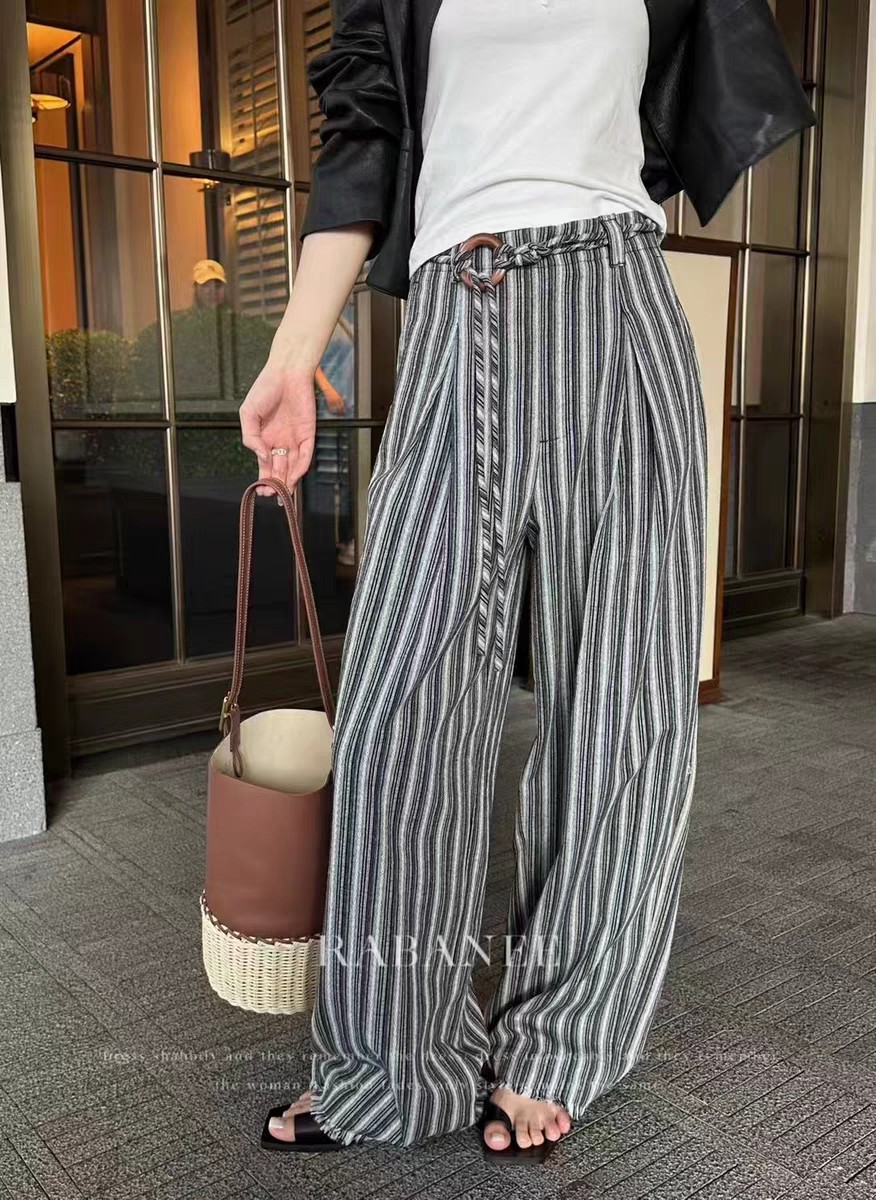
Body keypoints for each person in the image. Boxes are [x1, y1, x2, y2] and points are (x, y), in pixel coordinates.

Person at [239, 0, 815, 1162]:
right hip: (457, 313)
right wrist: (296, 354)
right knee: (402, 710)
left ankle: (561, 1041)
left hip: (619, 301)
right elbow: (363, 138)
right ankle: (390, 1062)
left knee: (621, 703)